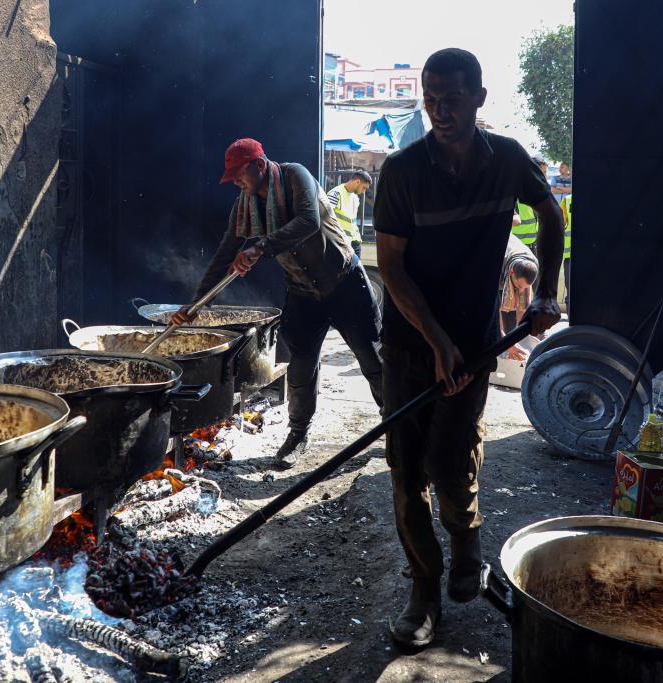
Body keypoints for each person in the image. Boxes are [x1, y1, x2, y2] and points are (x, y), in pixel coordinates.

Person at [373, 48, 563, 650]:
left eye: (452, 97)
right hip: (409, 344)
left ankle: (466, 541)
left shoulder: (506, 159)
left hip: (476, 347)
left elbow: (551, 213)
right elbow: (392, 268)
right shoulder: (402, 171)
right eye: (431, 97)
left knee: (451, 466)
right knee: (407, 475)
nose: (440, 109)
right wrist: (435, 340)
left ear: (480, 98)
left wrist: (546, 294)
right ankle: (424, 589)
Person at [171, 138, 384, 469]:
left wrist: (261, 247)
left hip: (344, 282)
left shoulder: (295, 176)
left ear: (258, 165)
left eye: (239, 175)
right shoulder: (245, 205)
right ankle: (297, 435)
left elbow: (308, 221)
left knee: (373, 360)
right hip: (302, 292)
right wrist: (195, 305)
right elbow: (223, 255)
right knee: (300, 367)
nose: (237, 184)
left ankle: (399, 426)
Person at [499, 234, 539, 361]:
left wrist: (520, 334)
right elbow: (492, 312)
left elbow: (525, 304)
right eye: (519, 286)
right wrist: (506, 343)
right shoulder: (496, 268)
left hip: (512, 261)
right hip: (494, 256)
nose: (520, 290)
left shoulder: (532, 264)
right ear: (511, 273)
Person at [327, 170, 372, 257]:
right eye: (364, 187)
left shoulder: (355, 197)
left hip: (354, 242)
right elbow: (325, 218)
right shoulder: (336, 194)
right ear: (357, 182)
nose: (364, 191)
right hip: (340, 243)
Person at [511, 157, 547, 253]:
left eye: (546, 172)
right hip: (517, 247)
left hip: (533, 245)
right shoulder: (516, 191)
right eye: (542, 172)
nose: (545, 176)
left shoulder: (538, 193)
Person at [560, 193, 572, 314]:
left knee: (571, 291)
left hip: (570, 256)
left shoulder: (567, 200)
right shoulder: (566, 200)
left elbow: (560, 224)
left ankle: (571, 323)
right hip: (590, 255)